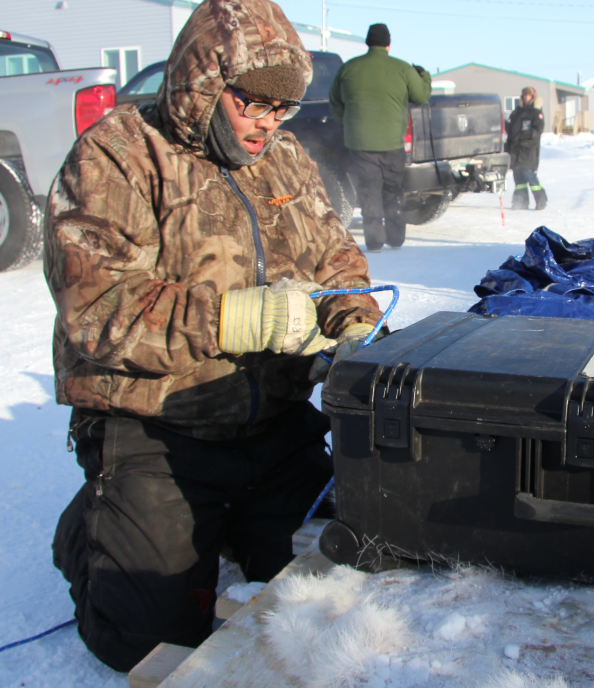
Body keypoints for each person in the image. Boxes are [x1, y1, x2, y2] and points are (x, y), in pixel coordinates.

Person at [43, 0, 383, 672]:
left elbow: (337, 261)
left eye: (282, 107)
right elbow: (94, 304)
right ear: (204, 82)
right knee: (147, 643)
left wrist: (354, 328)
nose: (267, 122)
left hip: (274, 430)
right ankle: (92, 525)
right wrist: (236, 319)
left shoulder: (285, 159)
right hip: (159, 429)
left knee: (337, 588)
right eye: (252, 102)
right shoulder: (118, 153)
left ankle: (223, 524)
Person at [329, 23, 432, 251]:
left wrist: (349, 125)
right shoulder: (402, 68)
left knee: (368, 191)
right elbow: (422, 96)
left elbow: (335, 104)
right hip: (392, 144)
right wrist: (424, 75)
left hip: (360, 144)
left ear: (367, 42)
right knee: (393, 190)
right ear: (388, 44)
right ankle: (395, 239)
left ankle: (374, 241)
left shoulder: (349, 68)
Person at [505, 86, 547, 210]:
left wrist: (521, 136)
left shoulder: (536, 112)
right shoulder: (517, 112)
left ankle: (541, 200)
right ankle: (520, 202)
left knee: (530, 177)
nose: (526, 97)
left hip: (528, 151)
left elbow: (536, 131)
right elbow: (511, 129)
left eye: (528, 95)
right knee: (519, 180)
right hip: (516, 152)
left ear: (533, 97)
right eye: (524, 95)